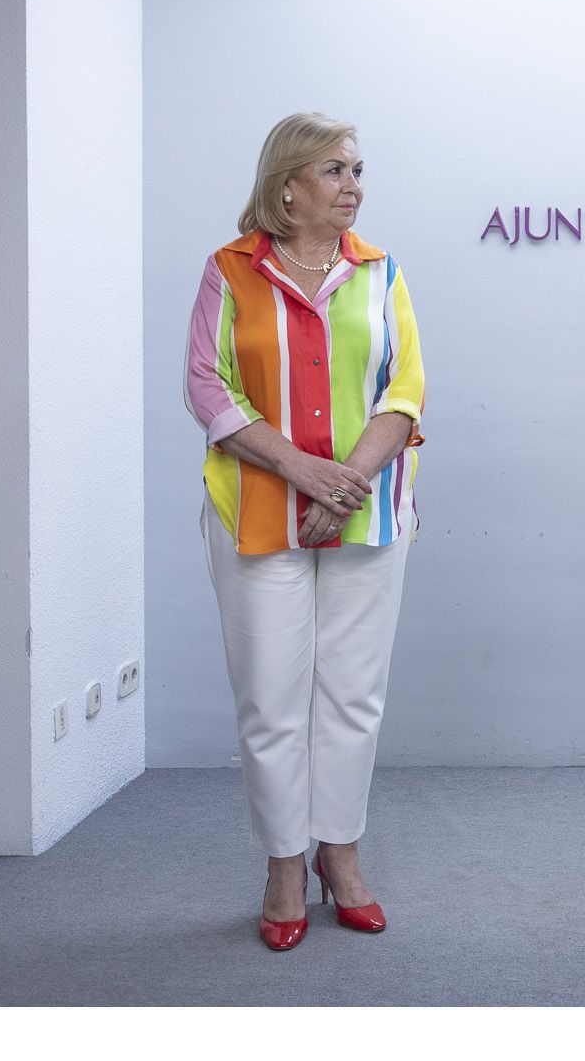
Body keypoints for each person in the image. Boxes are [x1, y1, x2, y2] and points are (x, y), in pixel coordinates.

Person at [185, 113, 426, 951]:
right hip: (256, 512)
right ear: (288, 183)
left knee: (352, 698)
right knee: (272, 702)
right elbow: (208, 390)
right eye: (334, 170)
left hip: (369, 510)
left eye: (359, 169)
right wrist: (300, 470)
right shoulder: (230, 270)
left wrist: (344, 482)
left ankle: (342, 856)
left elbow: (406, 392)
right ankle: (285, 864)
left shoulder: (381, 271)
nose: (354, 185)